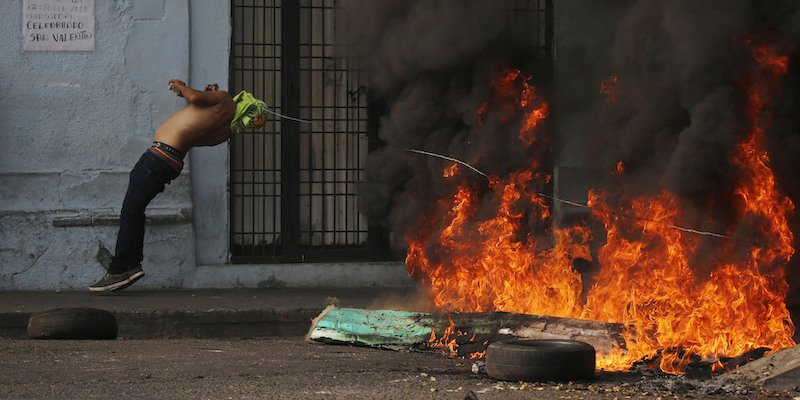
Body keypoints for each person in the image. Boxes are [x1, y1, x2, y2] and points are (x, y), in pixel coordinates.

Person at [90, 80, 267, 292]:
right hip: (171, 163)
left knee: (131, 210)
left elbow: (194, 99)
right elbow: (196, 126)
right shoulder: (226, 129)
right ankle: (128, 265)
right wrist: (207, 95)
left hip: (158, 158)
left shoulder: (225, 99)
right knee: (134, 210)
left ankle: (122, 269)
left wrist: (180, 86)